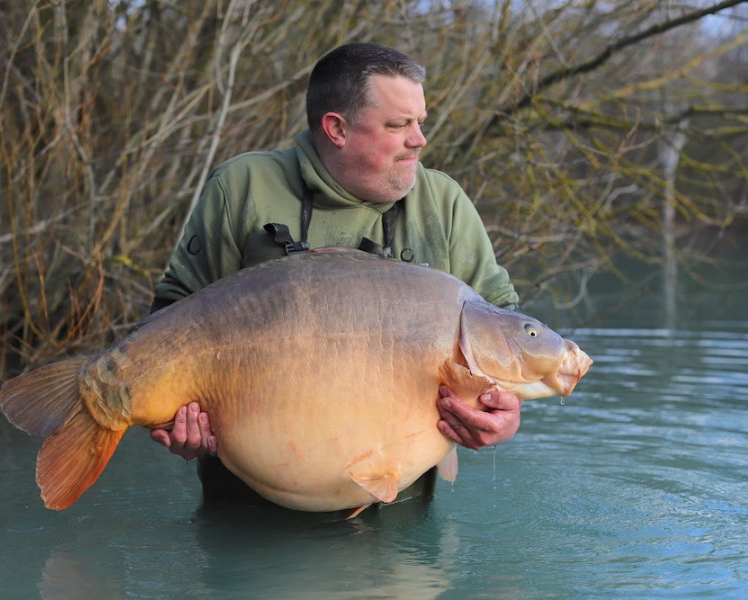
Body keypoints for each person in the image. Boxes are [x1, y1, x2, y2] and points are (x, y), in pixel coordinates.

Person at [148, 43, 522, 511]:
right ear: (337, 128)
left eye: (420, 121)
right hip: (248, 513)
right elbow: (168, 322)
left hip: (401, 517)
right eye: (398, 124)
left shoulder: (443, 203)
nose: (419, 139)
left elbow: (506, 330)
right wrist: (176, 423)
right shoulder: (242, 187)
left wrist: (503, 413)